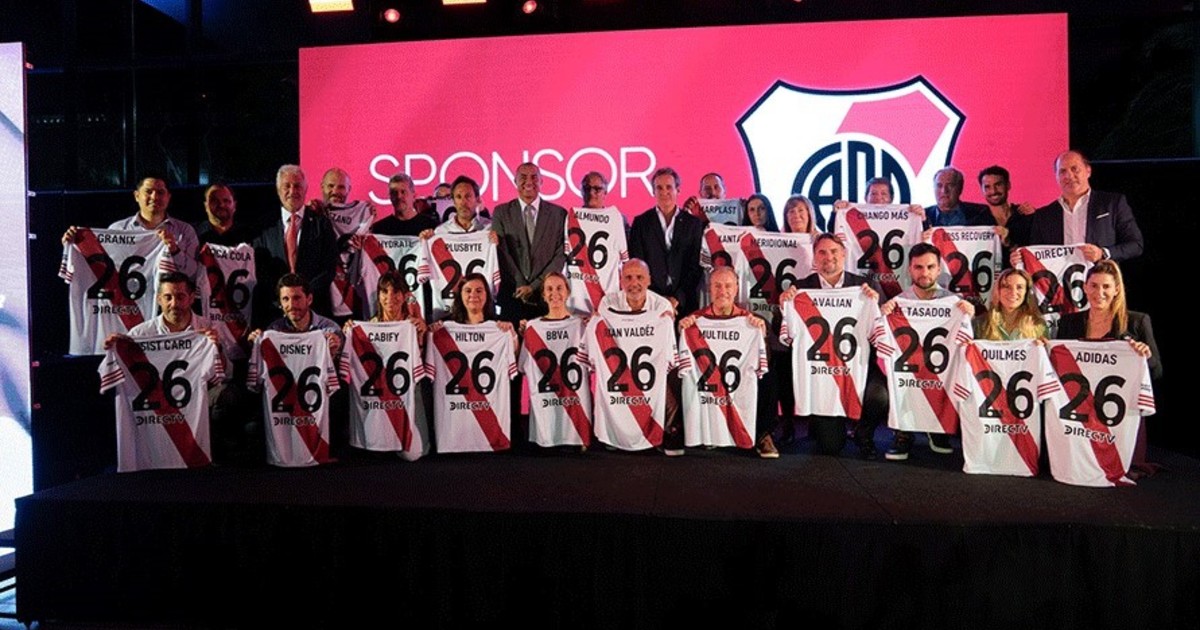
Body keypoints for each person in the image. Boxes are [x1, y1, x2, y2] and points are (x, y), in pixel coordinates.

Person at [778, 233, 886, 459]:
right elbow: (785, 336)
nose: (829, 257)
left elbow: (883, 332)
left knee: (880, 396)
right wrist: (784, 306)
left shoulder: (865, 287)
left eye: (834, 251)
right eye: (822, 252)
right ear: (814, 258)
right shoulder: (801, 289)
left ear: (844, 254)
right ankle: (824, 425)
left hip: (857, 368)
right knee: (830, 447)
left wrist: (877, 305)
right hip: (820, 376)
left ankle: (863, 432)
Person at [1054, 260, 1160, 478]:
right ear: (1085, 287)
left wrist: (1145, 355)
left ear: (1116, 289)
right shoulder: (1068, 322)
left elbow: (1157, 371)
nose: (1099, 293)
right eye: (1094, 286)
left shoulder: (1136, 321)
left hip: (1118, 417)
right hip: (1078, 415)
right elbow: (1057, 366)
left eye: (1106, 287)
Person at [879, 242, 975, 460]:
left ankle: (937, 428)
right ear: (909, 269)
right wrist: (882, 317)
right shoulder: (897, 304)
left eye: (930, 267)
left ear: (939, 269)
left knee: (952, 375)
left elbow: (966, 347)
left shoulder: (955, 303)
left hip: (939, 369)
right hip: (909, 368)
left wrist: (969, 316)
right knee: (900, 380)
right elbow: (883, 347)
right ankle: (903, 432)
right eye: (919, 267)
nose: (925, 273)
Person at [678, 266, 775, 457]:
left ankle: (763, 434)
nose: (723, 291)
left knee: (769, 377)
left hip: (736, 383)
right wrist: (681, 330)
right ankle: (689, 430)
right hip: (708, 387)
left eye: (728, 286)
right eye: (717, 286)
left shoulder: (751, 321)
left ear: (737, 289)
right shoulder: (694, 321)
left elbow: (764, 361)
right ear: (709, 288)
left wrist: (762, 335)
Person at [1015, 150, 1144, 264]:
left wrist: (1103, 253)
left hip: (1100, 280)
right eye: (1062, 171)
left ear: (1088, 171)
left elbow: (1135, 245)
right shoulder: (1044, 216)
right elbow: (1036, 257)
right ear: (1056, 176)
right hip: (1060, 283)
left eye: (1074, 169)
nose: (1069, 176)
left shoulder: (1112, 203)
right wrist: (1020, 260)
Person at [251, 165, 339, 327]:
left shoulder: (322, 224)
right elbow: (260, 268)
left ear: (306, 189)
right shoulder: (264, 226)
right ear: (278, 190)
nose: (292, 191)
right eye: (287, 186)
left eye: (297, 186)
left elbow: (329, 267)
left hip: (315, 311)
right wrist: (284, 298)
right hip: (274, 312)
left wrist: (303, 296)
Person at [62, 176, 199, 280]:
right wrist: (76, 245)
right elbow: (98, 268)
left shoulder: (184, 231)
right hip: (129, 304)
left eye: (160, 192)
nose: (154, 197)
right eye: (148, 191)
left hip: (169, 303)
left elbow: (194, 273)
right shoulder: (118, 229)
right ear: (136, 196)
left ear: (168, 197)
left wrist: (175, 250)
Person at [519, 272, 591, 451]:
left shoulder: (582, 325)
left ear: (567, 292)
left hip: (576, 421)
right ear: (543, 295)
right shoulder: (533, 328)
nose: (554, 293)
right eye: (549, 289)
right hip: (546, 425)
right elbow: (523, 367)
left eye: (559, 288)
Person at [491, 162, 567, 323]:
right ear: (515, 181)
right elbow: (501, 253)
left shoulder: (559, 214)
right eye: (523, 177)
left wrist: (534, 286)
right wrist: (520, 283)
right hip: (512, 296)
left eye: (534, 177)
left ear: (541, 181)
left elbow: (560, 254)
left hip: (547, 299)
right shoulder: (501, 212)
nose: (529, 182)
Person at [627, 167, 705, 317]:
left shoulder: (693, 224)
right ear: (653, 191)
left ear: (678, 190)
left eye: (669, 187)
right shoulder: (641, 223)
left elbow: (695, 266)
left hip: (685, 304)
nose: (664, 192)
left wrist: (676, 299)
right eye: (659, 188)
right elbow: (637, 265)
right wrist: (659, 300)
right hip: (650, 304)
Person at [973, 268, 1048, 341]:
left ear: (1027, 292)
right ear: (998, 290)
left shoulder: (1039, 325)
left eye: (1019, 287)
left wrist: (1044, 346)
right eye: (1007, 286)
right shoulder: (978, 324)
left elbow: (1047, 348)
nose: (1013, 292)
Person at [977, 165, 1033, 260]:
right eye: (987, 187)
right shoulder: (976, 222)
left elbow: (1034, 254)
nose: (993, 191)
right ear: (982, 190)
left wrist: (1038, 216)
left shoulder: (1025, 216)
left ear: (1008, 185)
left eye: (998, 185)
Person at [597, 259, 675, 317]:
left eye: (639, 277)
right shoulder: (607, 303)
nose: (634, 283)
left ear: (649, 280)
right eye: (628, 277)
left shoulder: (662, 306)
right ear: (621, 281)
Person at [372, 172, 440, 236]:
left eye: (403, 192)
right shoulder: (378, 229)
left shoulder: (431, 227)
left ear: (414, 195)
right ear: (390, 197)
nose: (399, 196)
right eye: (394, 193)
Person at [923, 167, 993, 229]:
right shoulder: (922, 216)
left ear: (960, 188)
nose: (944, 191)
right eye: (939, 185)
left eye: (950, 185)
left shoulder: (980, 213)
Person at [424, 175, 494, 236]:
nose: (463, 202)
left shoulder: (490, 229)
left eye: (468, 196)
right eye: (458, 197)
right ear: (453, 201)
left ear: (478, 199)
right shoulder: (441, 232)